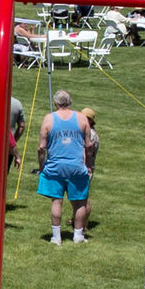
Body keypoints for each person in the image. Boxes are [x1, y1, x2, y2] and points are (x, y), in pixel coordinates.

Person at [38, 89, 96, 244]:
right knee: (80, 201)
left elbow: (41, 147)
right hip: (76, 165)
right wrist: (88, 164)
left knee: (56, 201)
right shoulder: (82, 118)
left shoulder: (49, 119)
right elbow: (89, 145)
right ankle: (78, 235)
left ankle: (56, 237)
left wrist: (41, 165)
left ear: (56, 103)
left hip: (55, 166)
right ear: (70, 102)